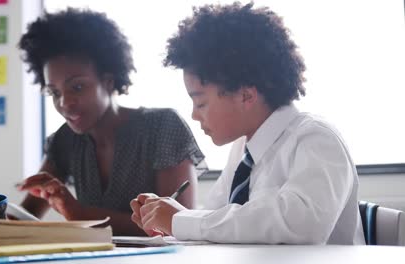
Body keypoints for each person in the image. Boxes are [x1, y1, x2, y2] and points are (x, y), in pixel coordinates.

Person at [130, 2, 365, 244]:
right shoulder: (242, 153)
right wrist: (170, 222)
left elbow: (303, 224)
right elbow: (217, 220)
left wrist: (183, 219)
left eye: (200, 103)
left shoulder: (316, 138)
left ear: (246, 96)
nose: (194, 115)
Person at [16, 8, 206, 235]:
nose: (64, 103)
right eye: (54, 92)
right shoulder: (65, 140)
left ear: (108, 81)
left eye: (77, 87)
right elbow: (17, 221)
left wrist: (78, 213)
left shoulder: (162, 127)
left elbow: (177, 224)